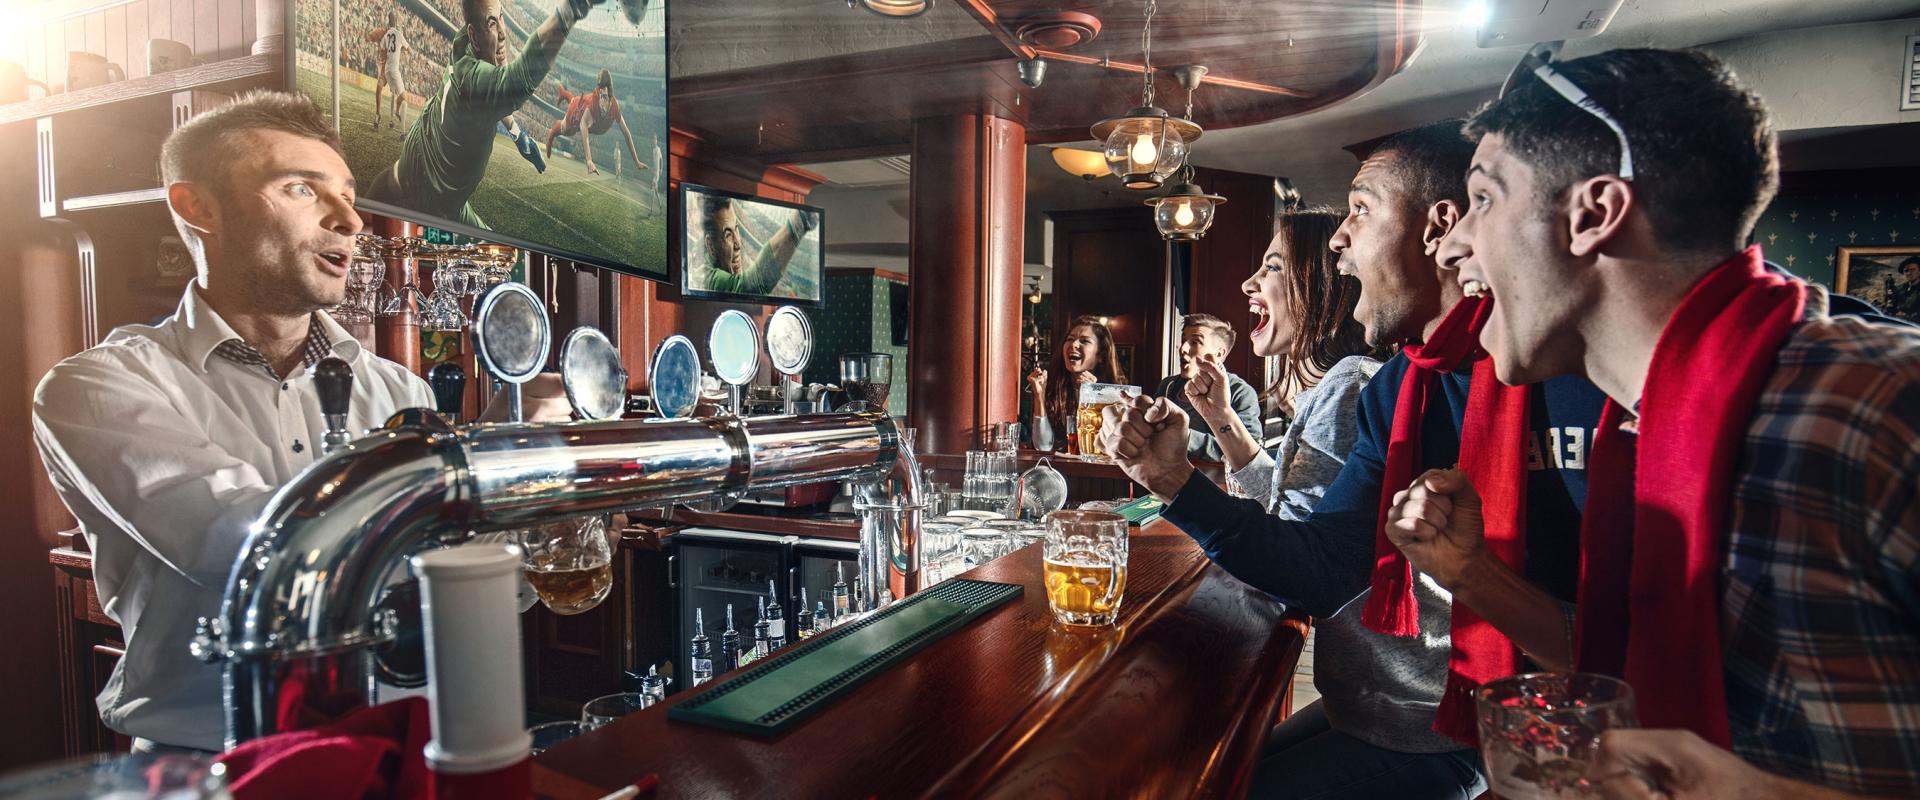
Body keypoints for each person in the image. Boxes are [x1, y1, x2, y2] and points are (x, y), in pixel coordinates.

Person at [1384, 48, 1920, 795]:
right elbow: (1628, 672)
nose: (1451, 245)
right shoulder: (1641, 428)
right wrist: (1469, 572)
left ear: (1594, 214)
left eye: (1484, 199)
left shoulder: (1878, 399)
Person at [1100, 120, 1609, 800]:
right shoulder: (1401, 387)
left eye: (1360, 210)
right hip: (1401, 716)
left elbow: (1635, 650)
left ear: (1441, 227)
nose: (1339, 236)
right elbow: (1326, 566)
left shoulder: (1577, 374)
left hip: (1498, 740)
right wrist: (1172, 481)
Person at [1186, 207, 1377, 517]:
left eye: (1271, 267)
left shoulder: (1348, 384)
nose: (1248, 283)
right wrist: (1219, 415)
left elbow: (1295, 542)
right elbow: (1280, 501)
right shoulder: (1336, 383)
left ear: (1322, 284)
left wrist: (1168, 478)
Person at [366, 0, 597, 228]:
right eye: (492, 24)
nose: (504, 33)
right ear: (475, 35)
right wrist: (572, 9)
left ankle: (367, 208)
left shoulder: (463, 42)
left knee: (391, 182)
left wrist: (517, 134)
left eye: (502, 17)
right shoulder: (474, 80)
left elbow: (491, 100)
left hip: (415, 160)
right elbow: (518, 80)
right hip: (436, 200)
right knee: (490, 251)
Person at [1153, 313, 1264, 461]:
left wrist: (1183, 435)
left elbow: (1250, 453)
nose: (1183, 348)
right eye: (1183, 340)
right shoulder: (1168, 385)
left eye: (1195, 342)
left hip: (1214, 483)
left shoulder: (1241, 392)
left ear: (1218, 354)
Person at [1026, 315, 1124, 452]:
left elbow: (1104, 448)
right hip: (1059, 470)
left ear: (1100, 355)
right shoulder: (1052, 387)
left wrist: (1091, 396)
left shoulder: (1115, 396)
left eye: (1084, 341)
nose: (1073, 344)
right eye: (1070, 339)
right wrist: (1039, 395)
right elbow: (1043, 446)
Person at [689, 194, 815, 295]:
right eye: (728, 235)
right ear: (710, 245)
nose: (738, 244)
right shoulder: (702, 275)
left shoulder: (710, 244)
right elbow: (753, 285)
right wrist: (799, 222)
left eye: (736, 228)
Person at [544, 68, 647, 177]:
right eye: (601, 97)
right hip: (579, 111)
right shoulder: (593, 103)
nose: (602, 103)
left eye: (605, 98)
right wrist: (589, 160)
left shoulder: (615, 107)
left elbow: (626, 133)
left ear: (610, 98)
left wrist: (636, 161)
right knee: (567, 130)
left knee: (574, 101)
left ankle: (565, 94)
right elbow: (583, 124)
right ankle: (551, 133)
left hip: (590, 116)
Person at [365, 10, 407, 129]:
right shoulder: (380, 31)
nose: (381, 18)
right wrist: (368, 24)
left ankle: (391, 119)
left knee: (394, 92)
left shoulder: (394, 33)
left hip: (392, 65)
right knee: (379, 88)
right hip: (384, 66)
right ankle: (378, 115)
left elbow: (403, 47)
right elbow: (367, 38)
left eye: (382, 15)